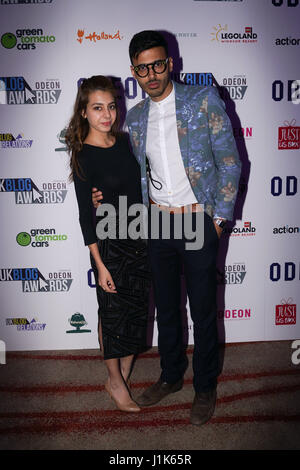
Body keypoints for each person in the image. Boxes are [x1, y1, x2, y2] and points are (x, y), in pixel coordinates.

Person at [92, 31, 241, 425]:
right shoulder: (136, 117)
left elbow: (230, 161)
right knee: (167, 311)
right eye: (143, 68)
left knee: (204, 310)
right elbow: (129, 172)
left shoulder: (202, 99)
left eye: (158, 64)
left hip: (198, 219)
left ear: (170, 63)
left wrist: (220, 219)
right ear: (134, 72)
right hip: (156, 221)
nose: (151, 73)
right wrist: (100, 197)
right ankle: (171, 375)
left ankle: (204, 385)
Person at [65, 75, 151, 413]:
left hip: (140, 235)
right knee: (112, 314)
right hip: (109, 244)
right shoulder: (83, 155)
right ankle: (115, 381)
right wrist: (99, 265)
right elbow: (86, 216)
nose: (107, 115)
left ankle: (123, 375)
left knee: (136, 311)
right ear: (84, 112)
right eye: (98, 108)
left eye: (111, 106)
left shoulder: (127, 142)